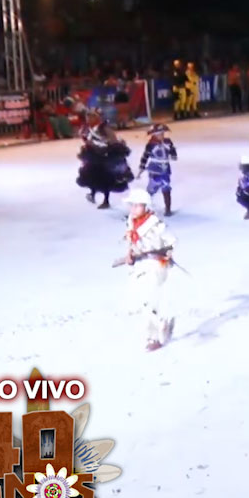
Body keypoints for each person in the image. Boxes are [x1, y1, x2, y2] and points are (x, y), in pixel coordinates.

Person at [119, 188, 177, 352]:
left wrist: (167, 253)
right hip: (140, 265)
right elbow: (131, 243)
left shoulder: (156, 224)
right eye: (132, 205)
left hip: (155, 264)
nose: (133, 208)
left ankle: (154, 336)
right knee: (140, 300)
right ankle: (162, 323)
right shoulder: (131, 222)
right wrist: (130, 255)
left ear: (145, 206)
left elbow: (171, 241)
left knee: (150, 299)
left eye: (137, 205)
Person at [76, 109, 133, 209]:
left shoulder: (104, 128)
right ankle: (92, 194)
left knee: (104, 178)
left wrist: (101, 146)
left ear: (97, 117)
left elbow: (112, 141)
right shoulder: (87, 128)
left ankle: (106, 200)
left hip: (104, 156)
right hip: (93, 155)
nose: (88, 118)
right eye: (87, 116)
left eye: (91, 116)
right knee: (91, 175)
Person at [137, 123, 178, 216]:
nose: (161, 135)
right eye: (159, 134)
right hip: (154, 169)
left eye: (162, 133)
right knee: (151, 189)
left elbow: (172, 150)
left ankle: (168, 209)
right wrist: (141, 167)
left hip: (165, 169)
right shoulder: (150, 145)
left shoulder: (168, 142)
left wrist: (173, 154)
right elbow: (145, 156)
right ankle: (142, 208)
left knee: (166, 187)